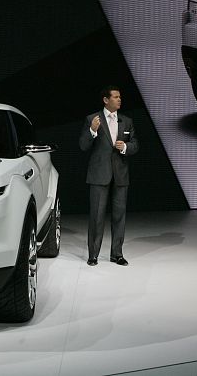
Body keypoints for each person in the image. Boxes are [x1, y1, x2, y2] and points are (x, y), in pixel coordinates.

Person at [78, 85, 139, 266]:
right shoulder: (92, 119)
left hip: (120, 174)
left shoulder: (126, 121)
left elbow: (136, 144)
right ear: (106, 100)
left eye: (120, 97)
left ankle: (116, 254)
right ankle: (93, 254)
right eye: (115, 97)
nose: (119, 99)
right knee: (97, 215)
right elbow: (83, 145)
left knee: (119, 215)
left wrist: (126, 147)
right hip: (99, 174)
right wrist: (92, 131)